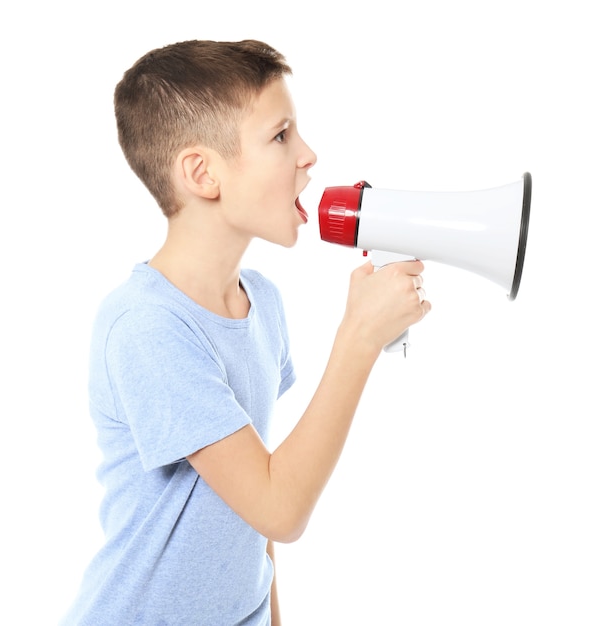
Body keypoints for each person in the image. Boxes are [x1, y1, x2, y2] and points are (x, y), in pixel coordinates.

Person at [61, 39, 430, 625]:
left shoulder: (262, 303)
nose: (309, 155)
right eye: (281, 136)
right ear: (202, 173)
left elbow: (257, 514)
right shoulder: (146, 326)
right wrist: (358, 338)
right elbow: (281, 508)